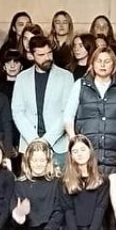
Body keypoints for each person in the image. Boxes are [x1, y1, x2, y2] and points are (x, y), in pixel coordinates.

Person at [65, 48, 116, 173]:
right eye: (99, 61)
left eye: (107, 61)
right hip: (87, 154)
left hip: (115, 152)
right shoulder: (80, 85)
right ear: (92, 63)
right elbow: (68, 117)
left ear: (114, 64)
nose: (102, 65)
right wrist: (74, 141)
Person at [12, 35, 74, 167]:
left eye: (49, 53)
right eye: (41, 54)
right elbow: (17, 111)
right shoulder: (22, 78)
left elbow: (67, 112)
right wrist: (34, 140)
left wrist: (46, 140)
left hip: (58, 146)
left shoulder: (66, 76)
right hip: (29, 144)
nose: (47, 58)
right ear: (31, 55)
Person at [11, 139, 64, 230]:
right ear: (28, 162)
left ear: (48, 161)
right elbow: (17, 220)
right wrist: (20, 216)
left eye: (42, 160)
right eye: (34, 160)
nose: (38, 164)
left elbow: (59, 211)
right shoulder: (19, 185)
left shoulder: (56, 183)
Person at [59, 135, 109, 230]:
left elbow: (100, 209)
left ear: (90, 151)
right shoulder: (64, 181)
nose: (79, 154)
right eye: (75, 151)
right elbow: (68, 211)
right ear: (71, 155)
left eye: (83, 149)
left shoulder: (103, 179)